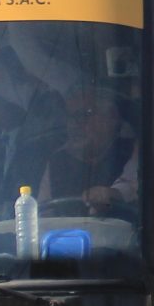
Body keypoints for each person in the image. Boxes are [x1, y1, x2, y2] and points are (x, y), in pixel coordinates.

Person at [37, 84, 139, 217]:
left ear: (111, 118)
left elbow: (131, 187)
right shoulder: (57, 160)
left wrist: (110, 194)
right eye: (70, 116)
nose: (74, 124)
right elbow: (44, 212)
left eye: (84, 115)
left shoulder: (132, 150)